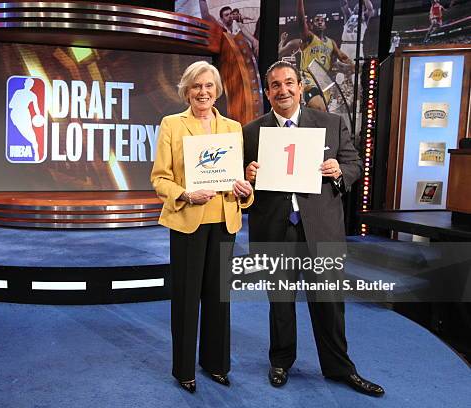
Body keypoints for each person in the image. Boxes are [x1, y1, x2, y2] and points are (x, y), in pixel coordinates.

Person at [242, 60, 384, 397]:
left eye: (289, 82)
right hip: (274, 229)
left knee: (330, 302)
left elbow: (353, 165)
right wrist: (246, 176)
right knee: (280, 302)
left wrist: (338, 170)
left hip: (322, 229)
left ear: (301, 87)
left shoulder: (331, 124)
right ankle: (280, 361)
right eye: (275, 85)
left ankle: (339, 368)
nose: (283, 90)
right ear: (267, 92)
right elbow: (240, 184)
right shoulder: (250, 132)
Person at [151, 61, 253, 393]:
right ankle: (183, 369)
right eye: (196, 86)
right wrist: (184, 193)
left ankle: (216, 364)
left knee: (218, 299)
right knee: (185, 298)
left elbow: (239, 179)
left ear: (217, 90)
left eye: (208, 86)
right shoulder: (172, 124)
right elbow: (159, 178)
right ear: (186, 90)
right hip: (187, 221)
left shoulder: (233, 127)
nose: (203, 92)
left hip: (225, 220)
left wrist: (245, 191)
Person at [297, 0, 353, 111]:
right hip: (309, 79)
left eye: (322, 20)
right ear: (311, 25)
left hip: (324, 83)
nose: (320, 22)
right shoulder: (309, 38)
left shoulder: (331, 43)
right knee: (319, 108)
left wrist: (350, 65)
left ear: (325, 25)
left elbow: (343, 57)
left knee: (320, 116)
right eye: (316, 20)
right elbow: (301, 21)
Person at [8, 77, 42, 160]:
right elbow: (10, 105)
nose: (29, 85)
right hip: (16, 115)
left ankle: (36, 152)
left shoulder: (33, 95)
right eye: (28, 83)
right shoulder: (18, 92)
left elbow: (36, 108)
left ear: (32, 86)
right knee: (20, 133)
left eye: (31, 84)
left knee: (31, 134)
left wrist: (39, 116)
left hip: (25, 115)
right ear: (25, 84)